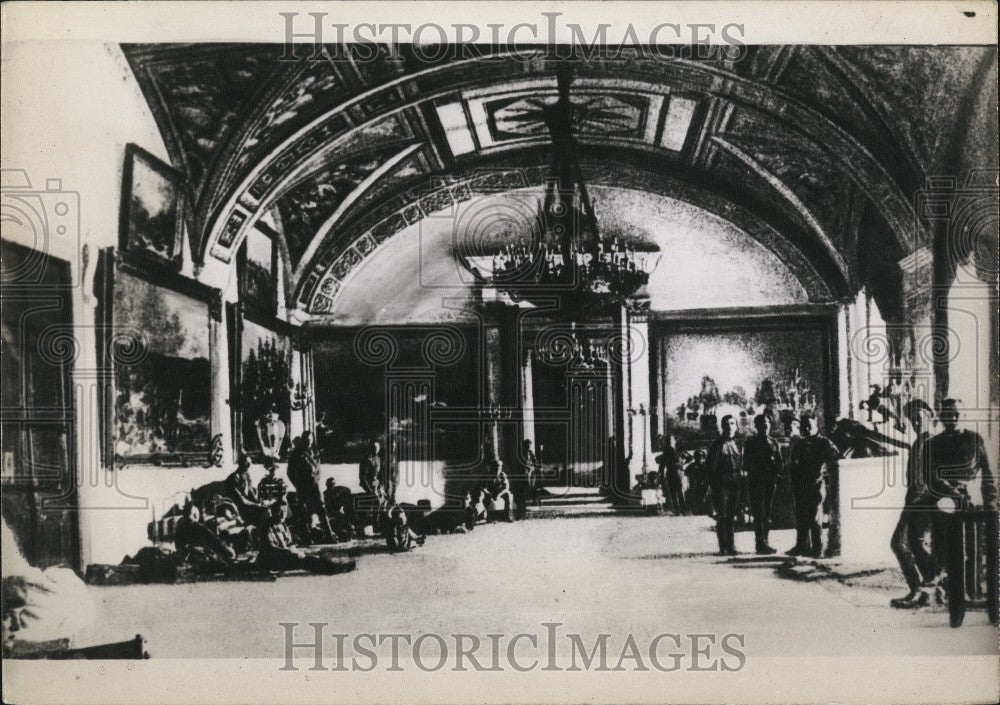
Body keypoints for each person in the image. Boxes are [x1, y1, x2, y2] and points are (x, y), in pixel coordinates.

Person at [927, 399, 998, 627]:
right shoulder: (933, 444)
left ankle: (992, 607)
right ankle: (957, 608)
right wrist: (954, 493)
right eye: (948, 414)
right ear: (941, 416)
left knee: (981, 555)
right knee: (952, 555)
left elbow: (987, 474)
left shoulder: (974, 439)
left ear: (963, 415)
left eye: (957, 413)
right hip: (947, 506)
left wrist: (992, 503)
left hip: (976, 506)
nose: (953, 418)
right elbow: (932, 478)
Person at [889, 400, 940, 608]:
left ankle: (927, 590)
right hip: (912, 502)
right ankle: (922, 590)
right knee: (903, 544)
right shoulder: (919, 443)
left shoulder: (935, 444)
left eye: (919, 419)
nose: (916, 423)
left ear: (930, 418)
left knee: (911, 545)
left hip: (924, 503)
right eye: (912, 420)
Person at [786, 413, 840, 557]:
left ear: (816, 425)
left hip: (816, 485)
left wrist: (825, 471)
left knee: (815, 517)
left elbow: (836, 457)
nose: (807, 428)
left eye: (810, 425)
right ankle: (801, 547)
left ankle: (818, 549)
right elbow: (793, 464)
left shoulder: (824, 443)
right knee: (801, 517)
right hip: (800, 485)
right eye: (804, 426)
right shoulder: (799, 444)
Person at [256, 501, 355, 575]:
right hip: (270, 560)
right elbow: (269, 548)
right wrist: (291, 553)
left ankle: (335, 565)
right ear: (273, 511)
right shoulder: (266, 526)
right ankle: (335, 569)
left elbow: (290, 543)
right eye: (279, 511)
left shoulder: (284, 525)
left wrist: (296, 551)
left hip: (283, 556)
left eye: (285, 512)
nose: (282, 515)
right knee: (304, 561)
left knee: (311, 556)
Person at [743, 414, 783, 554]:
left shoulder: (774, 442)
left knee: (767, 513)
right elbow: (746, 463)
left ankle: (765, 542)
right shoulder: (750, 443)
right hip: (756, 481)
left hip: (770, 482)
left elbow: (779, 462)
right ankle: (760, 544)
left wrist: (776, 473)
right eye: (761, 425)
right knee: (759, 513)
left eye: (766, 424)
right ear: (756, 427)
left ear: (770, 425)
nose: (764, 427)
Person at [286, 433, 336, 544]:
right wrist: (298, 485)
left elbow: (318, 468)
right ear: (302, 440)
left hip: (314, 485)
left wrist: (316, 479)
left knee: (321, 509)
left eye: (310, 440)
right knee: (303, 512)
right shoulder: (295, 454)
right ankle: (307, 538)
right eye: (305, 440)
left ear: (312, 440)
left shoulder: (314, 453)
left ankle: (329, 535)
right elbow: (290, 472)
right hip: (302, 485)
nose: (308, 442)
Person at [706, 415, 744, 556]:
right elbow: (710, 467)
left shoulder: (739, 444)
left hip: (735, 483)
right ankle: (723, 547)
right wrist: (712, 484)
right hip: (720, 485)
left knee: (732, 515)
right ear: (722, 427)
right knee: (722, 515)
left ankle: (731, 546)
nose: (730, 426)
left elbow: (743, 463)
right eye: (727, 424)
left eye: (732, 423)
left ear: (736, 426)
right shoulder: (716, 445)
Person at [174, 502, 236, 571]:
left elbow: (178, 545)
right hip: (199, 558)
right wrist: (229, 552)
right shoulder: (200, 528)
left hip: (184, 558)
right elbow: (216, 543)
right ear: (195, 515)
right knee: (222, 563)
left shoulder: (179, 528)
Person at [225, 453, 269, 526]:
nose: (249, 465)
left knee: (267, 508)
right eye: (246, 463)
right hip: (238, 507)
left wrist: (258, 502)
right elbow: (240, 500)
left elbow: (251, 492)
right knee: (263, 512)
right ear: (240, 463)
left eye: (250, 463)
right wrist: (256, 505)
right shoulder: (234, 478)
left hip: (248, 505)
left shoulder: (246, 474)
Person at [658, 433, 686, 516]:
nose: (670, 441)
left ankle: (680, 511)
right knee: (675, 493)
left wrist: (681, 464)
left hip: (676, 473)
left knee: (678, 492)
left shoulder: (675, 450)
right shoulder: (670, 451)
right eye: (669, 440)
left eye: (672, 440)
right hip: (672, 473)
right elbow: (662, 463)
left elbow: (662, 464)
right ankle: (679, 511)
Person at [684, 449, 710, 515]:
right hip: (695, 484)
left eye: (701, 457)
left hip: (704, 484)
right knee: (690, 494)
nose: (699, 459)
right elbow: (686, 472)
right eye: (698, 457)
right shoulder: (692, 465)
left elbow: (708, 475)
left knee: (705, 496)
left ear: (703, 458)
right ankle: (693, 509)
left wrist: (704, 482)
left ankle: (705, 510)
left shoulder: (705, 465)